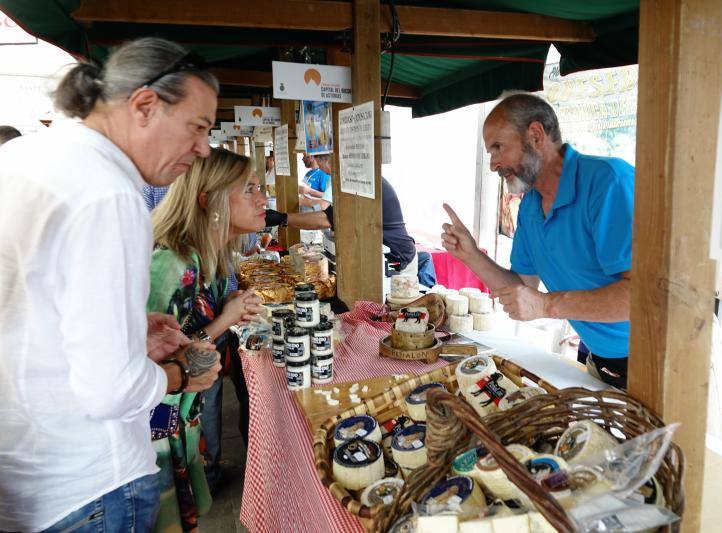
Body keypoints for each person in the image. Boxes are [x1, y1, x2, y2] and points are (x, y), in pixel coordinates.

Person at [0, 37, 222, 532]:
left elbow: (33, 308)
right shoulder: (109, 193)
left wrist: (128, 327)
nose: (204, 148)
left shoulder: (25, 156)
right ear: (144, 105)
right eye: (197, 127)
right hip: (90, 483)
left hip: (26, 477)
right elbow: (112, 392)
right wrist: (182, 374)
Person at [441, 93, 634, 389]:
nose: (493, 164)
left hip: (656, 360)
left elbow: (642, 298)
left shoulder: (608, 182)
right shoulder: (530, 206)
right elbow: (523, 287)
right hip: (601, 361)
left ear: (535, 135)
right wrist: (470, 255)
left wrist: (546, 306)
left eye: (498, 148)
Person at [148, 147, 264, 530]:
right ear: (209, 200)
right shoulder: (174, 262)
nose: (262, 198)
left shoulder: (207, 258)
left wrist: (225, 310)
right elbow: (153, 369)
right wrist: (223, 321)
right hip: (156, 435)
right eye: (248, 188)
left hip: (182, 421)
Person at [266, 176, 437, 286]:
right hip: (379, 257)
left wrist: (284, 218)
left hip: (397, 260)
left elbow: (326, 219)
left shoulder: (364, 182)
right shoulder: (356, 180)